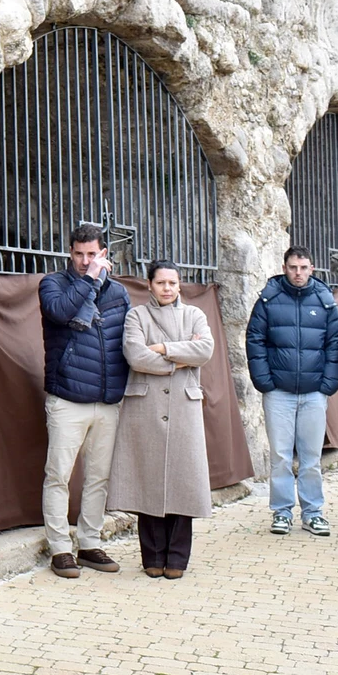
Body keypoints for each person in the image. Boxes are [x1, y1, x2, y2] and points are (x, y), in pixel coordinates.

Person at [108, 260, 214, 578]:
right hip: (146, 408)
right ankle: (152, 557)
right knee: (148, 480)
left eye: (173, 283)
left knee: (183, 483)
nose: (167, 288)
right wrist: (181, 358)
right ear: (150, 285)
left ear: (179, 285)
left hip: (183, 407)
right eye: (161, 283)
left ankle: (178, 559)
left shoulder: (194, 315)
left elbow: (205, 349)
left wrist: (164, 348)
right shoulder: (136, 316)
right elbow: (136, 356)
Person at [37, 223, 131, 578]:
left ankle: (90, 543)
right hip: (67, 398)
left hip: (107, 401)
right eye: (78, 253)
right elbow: (60, 313)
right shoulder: (54, 284)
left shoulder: (119, 293)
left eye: (92, 254)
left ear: (103, 253)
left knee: (98, 477)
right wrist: (89, 279)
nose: (84, 260)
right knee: (59, 475)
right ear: (70, 253)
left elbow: (127, 340)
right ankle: (60, 549)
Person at [246, 247, 338, 537]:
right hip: (279, 392)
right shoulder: (269, 298)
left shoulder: (325, 301)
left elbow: (335, 344)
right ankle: (282, 512)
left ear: (312, 268)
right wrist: (265, 381)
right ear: (284, 268)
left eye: (303, 267)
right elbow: (255, 340)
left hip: (314, 392)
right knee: (281, 456)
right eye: (292, 267)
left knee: (312, 456)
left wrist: (328, 383)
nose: (298, 273)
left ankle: (313, 513)